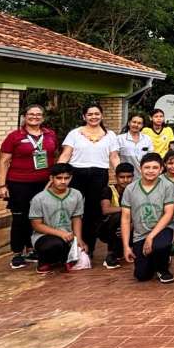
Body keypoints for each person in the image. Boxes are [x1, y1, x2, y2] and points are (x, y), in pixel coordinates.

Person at [0, 103, 58, 269]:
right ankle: (17, 253)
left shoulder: (50, 135)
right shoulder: (14, 136)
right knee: (20, 218)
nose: (34, 117)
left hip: (44, 183)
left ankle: (32, 248)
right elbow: (4, 161)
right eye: (31, 114)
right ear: (25, 117)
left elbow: (54, 156)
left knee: (38, 217)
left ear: (43, 118)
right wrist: (1, 185)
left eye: (38, 114)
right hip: (19, 183)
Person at [56, 102, 120, 259]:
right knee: (73, 208)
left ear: (102, 115)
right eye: (90, 114)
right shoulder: (75, 133)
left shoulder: (110, 135)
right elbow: (66, 154)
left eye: (97, 114)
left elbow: (114, 157)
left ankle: (88, 247)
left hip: (99, 175)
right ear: (84, 116)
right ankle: (68, 246)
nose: (93, 117)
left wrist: (121, 173)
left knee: (93, 212)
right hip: (77, 173)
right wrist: (56, 174)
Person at [119, 153, 174, 283]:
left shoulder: (167, 186)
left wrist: (150, 237)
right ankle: (155, 260)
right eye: (147, 167)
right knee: (142, 275)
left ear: (161, 169)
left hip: (162, 229)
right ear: (140, 168)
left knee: (160, 246)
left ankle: (163, 268)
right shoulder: (130, 189)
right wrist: (126, 246)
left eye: (155, 167)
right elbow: (125, 218)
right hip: (140, 234)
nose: (151, 171)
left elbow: (168, 214)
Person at [29, 163, 86, 274]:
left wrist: (79, 239)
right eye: (59, 178)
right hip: (44, 237)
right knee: (55, 244)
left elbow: (76, 218)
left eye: (66, 178)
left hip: (68, 236)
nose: (63, 181)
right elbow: (36, 225)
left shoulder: (76, 194)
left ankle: (62, 259)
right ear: (51, 178)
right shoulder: (39, 198)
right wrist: (60, 233)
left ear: (71, 178)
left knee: (78, 250)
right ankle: (44, 261)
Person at [100, 162, 135, 269]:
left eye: (129, 177)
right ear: (116, 177)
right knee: (119, 216)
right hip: (108, 229)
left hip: (131, 226)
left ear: (133, 177)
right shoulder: (108, 190)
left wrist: (130, 226)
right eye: (122, 177)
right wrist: (127, 209)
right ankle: (111, 253)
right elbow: (106, 210)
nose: (125, 180)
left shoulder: (135, 190)